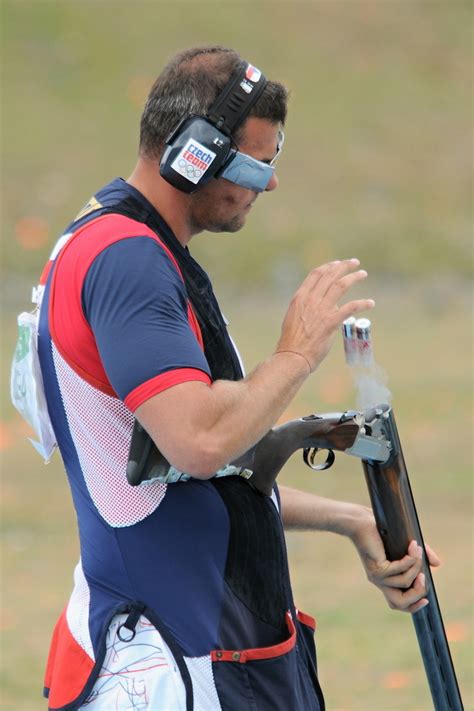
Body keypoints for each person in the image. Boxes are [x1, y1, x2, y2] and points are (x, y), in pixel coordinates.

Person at [36, 46, 439, 711]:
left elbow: (184, 476)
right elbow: (198, 439)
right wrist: (295, 356)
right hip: (180, 661)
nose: (269, 183)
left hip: (201, 652)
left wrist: (349, 518)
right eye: (257, 163)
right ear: (192, 152)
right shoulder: (128, 261)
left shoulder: (127, 247)